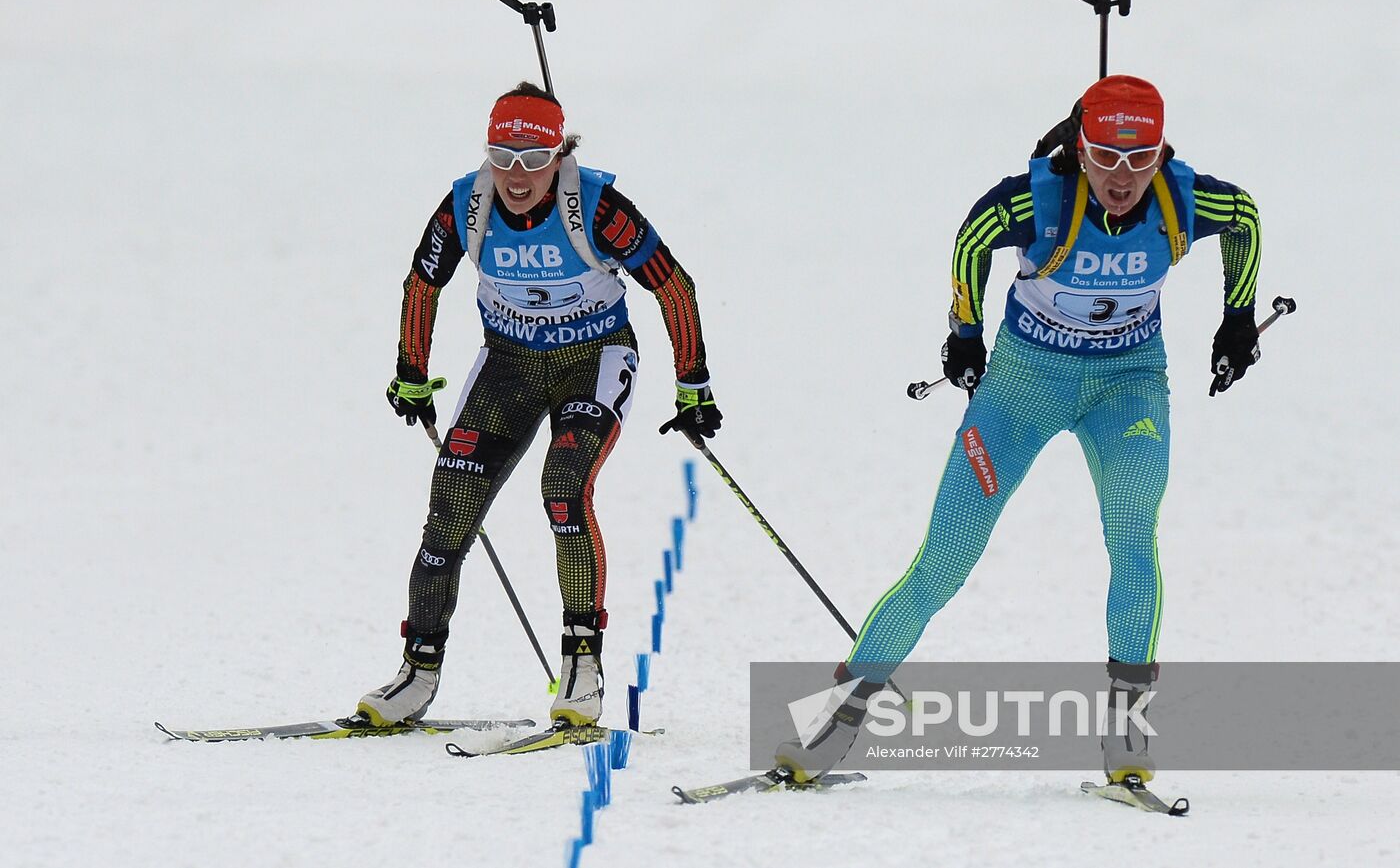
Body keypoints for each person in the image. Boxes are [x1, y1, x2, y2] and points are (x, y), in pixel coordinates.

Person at [775, 75, 1263, 785]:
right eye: (1105, 157)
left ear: (1162, 152)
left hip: (1127, 385)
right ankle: (836, 723)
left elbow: (1244, 216)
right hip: (1023, 386)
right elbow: (973, 236)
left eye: (1141, 158)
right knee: (943, 562)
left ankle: (1128, 732)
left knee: (1132, 529)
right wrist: (964, 332)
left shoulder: (1183, 196)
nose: (1122, 178)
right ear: (1080, 148)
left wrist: (1238, 317)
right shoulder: (1040, 198)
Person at [356, 82, 722, 728]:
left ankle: (582, 666)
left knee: (564, 487)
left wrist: (693, 384)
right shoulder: (466, 205)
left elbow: (674, 284)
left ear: (560, 154)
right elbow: (422, 283)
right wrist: (411, 372)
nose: (517, 175)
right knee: (448, 514)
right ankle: (417, 670)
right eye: (503, 156)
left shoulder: (598, 207)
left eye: (533, 159)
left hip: (595, 359)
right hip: (509, 365)